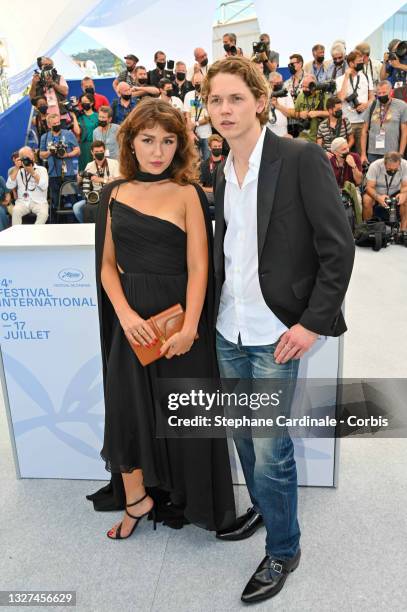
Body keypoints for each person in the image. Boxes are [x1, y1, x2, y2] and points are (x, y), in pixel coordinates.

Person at [202, 55, 354, 605]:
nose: (225, 109)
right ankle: (267, 513)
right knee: (243, 436)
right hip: (228, 329)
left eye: (236, 98)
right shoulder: (218, 170)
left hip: (276, 335)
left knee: (270, 448)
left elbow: (337, 248)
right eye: (216, 99)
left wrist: (312, 325)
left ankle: (284, 548)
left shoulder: (299, 158)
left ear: (261, 101)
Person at [86, 98, 236, 537]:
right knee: (127, 410)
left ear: (180, 145)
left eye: (168, 141)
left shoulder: (188, 192)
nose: (158, 151)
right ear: (131, 142)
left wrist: (190, 327)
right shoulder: (113, 195)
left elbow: (200, 267)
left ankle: (192, 499)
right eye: (148, 140)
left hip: (181, 319)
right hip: (131, 320)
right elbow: (106, 266)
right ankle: (136, 500)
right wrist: (127, 316)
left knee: (186, 412)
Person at [39, 114, 80, 212]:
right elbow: (41, 154)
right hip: (53, 173)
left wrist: (67, 155)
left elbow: (78, 150)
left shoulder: (68, 134)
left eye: (58, 123)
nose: (57, 125)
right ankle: (57, 222)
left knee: (73, 199)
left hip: (68, 173)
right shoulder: (45, 137)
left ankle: (74, 220)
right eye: (54, 124)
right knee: (56, 202)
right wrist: (50, 151)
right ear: (49, 125)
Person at [337, 50, 375, 154]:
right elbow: (341, 97)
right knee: (344, 153)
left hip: (362, 121)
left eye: (362, 61)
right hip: (346, 122)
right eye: (359, 61)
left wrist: (366, 104)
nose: (361, 63)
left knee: (360, 155)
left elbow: (372, 97)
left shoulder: (366, 77)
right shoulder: (340, 79)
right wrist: (346, 77)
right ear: (351, 63)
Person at [360, 80, 407, 164]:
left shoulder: (401, 105)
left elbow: (404, 132)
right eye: (379, 93)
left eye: (384, 92)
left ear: (391, 91)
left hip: (392, 152)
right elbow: (364, 131)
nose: (381, 95)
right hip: (372, 152)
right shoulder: (372, 105)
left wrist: (401, 154)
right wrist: (363, 153)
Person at [73, 141, 120, 223]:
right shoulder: (89, 165)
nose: (99, 153)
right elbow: (81, 184)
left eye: (101, 151)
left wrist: (102, 180)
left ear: (105, 151)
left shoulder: (114, 163)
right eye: (96, 152)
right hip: (93, 197)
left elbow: (118, 181)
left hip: (110, 195)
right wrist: (79, 178)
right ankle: (88, 227)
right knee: (77, 207)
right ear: (92, 152)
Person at [363, 151, 407, 228]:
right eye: (389, 168)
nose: (393, 171)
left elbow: (405, 186)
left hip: (396, 192)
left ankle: (403, 231)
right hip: (377, 192)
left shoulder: (405, 165)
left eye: (395, 169)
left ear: (399, 163)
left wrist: (403, 194)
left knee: (406, 199)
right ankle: (369, 229)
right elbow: (369, 187)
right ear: (384, 163)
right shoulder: (375, 166)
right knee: (367, 200)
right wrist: (378, 197)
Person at [6, 147, 49, 225]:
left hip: (39, 202)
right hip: (22, 202)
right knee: (16, 211)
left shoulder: (42, 169)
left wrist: (33, 173)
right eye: (24, 156)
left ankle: (35, 232)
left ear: (33, 156)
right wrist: (16, 168)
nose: (28, 158)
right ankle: (17, 234)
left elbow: (44, 186)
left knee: (44, 214)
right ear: (20, 158)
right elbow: (9, 186)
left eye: (29, 154)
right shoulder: (17, 170)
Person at [288, 74, 329, 142]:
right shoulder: (301, 96)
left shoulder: (323, 96)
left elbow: (331, 113)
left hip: (319, 138)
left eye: (307, 87)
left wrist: (318, 113)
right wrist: (300, 114)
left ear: (314, 86)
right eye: (303, 86)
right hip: (303, 136)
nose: (304, 89)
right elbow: (293, 113)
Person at [184, 72, 212, 160]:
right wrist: (190, 131)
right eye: (196, 83)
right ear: (192, 83)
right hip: (192, 134)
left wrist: (195, 124)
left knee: (207, 160)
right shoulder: (188, 95)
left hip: (206, 134)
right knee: (194, 161)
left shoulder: (208, 95)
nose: (199, 85)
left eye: (201, 82)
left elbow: (208, 117)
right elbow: (187, 114)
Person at [267, 72, 294, 137]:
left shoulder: (286, 94)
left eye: (281, 82)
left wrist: (278, 106)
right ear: (270, 83)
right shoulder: (263, 94)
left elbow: (291, 114)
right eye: (277, 83)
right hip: (266, 133)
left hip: (282, 134)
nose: (280, 85)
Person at [199, 133, 224, 203]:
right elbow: (200, 187)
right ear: (210, 148)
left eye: (219, 146)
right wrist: (212, 190)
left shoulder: (228, 161)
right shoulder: (204, 165)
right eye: (215, 146)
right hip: (211, 195)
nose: (218, 148)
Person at [284, 54, 305, 137]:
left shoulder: (309, 79)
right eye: (289, 64)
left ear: (300, 64)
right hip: (291, 120)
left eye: (292, 64)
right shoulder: (287, 83)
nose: (290, 66)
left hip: (305, 118)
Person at [77, 94, 99, 171]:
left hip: (96, 145)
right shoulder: (79, 117)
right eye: (82, 102)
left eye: (86, 101)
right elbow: (77, 132)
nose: (84, 104)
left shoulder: (98, 116)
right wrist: (73, 116)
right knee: (84, 168)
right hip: (83, 146)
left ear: (92, 103)